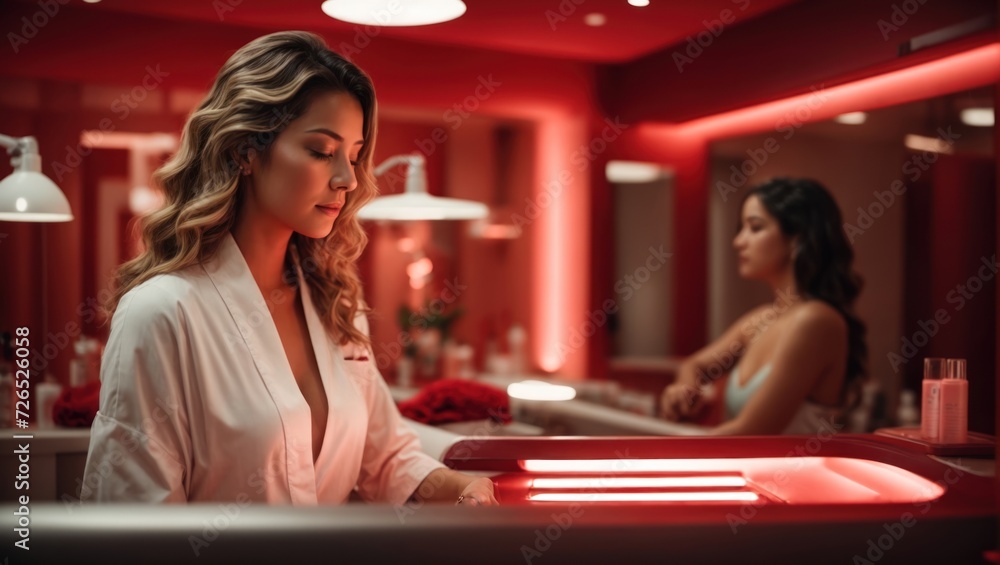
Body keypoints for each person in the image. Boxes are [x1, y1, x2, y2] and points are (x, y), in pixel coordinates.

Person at [81, 31, 496, 506]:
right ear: (245, 152)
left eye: (355, 156)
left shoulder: (336, 304)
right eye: (321, 151)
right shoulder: (161, 314)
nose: (347, 179)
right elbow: (137, 524)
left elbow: (384, 456)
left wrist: (464, 490)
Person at [660, 178, 867, 435]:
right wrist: (685, 389)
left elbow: (751, 433)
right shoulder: (760, 319)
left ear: (796, 239)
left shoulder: (816, 320)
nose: (738, 241)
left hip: (794, 475)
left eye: (755, 228)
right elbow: (693, 365)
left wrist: (665, 452)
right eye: (741, 228)